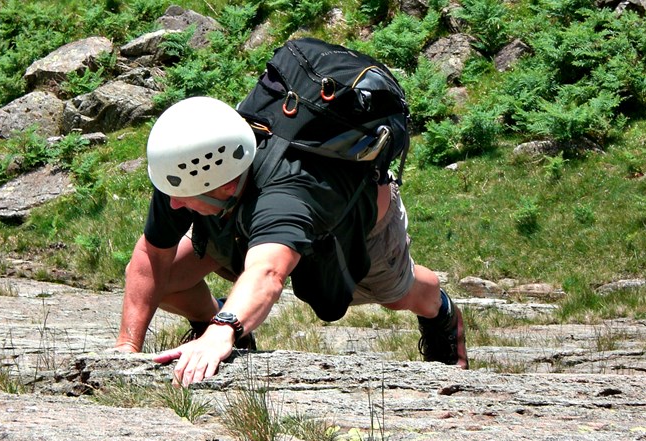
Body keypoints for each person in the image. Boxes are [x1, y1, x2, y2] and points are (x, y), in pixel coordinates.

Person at [114, 96, 468, 386]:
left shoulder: (286, 193)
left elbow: (268, 273)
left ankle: (441, 310)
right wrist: (126, 349)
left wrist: (224, 331)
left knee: (397, 295)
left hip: (355, 229)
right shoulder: (186, 173)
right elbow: (150, 258)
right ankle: (218, 318)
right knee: (168, 281)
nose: (173, 204)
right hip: (241, 220)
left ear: (222, 186)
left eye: (183, 197)